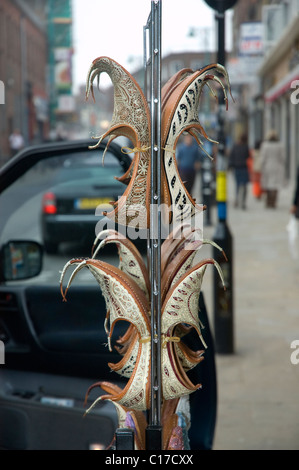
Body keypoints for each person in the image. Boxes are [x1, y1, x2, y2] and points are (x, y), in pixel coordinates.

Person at [260, 129, 286, 209]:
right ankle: (273, 202)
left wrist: (262, 165)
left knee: (268, 185)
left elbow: (263, 157)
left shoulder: (265, 145)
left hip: (268, 166)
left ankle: (268, 201)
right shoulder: (280, 145)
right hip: (277, 166)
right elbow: (283, 157)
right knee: (275, 185)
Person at [228, 133, 250, 209]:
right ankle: (243, 201)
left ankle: (236, 199)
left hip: (236, 168)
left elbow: (231, 156)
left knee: (237, 185)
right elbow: (248, 156)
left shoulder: (235, 146)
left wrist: (230, 166)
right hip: (244, 167)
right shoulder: (246, 147)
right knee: (244, 186)